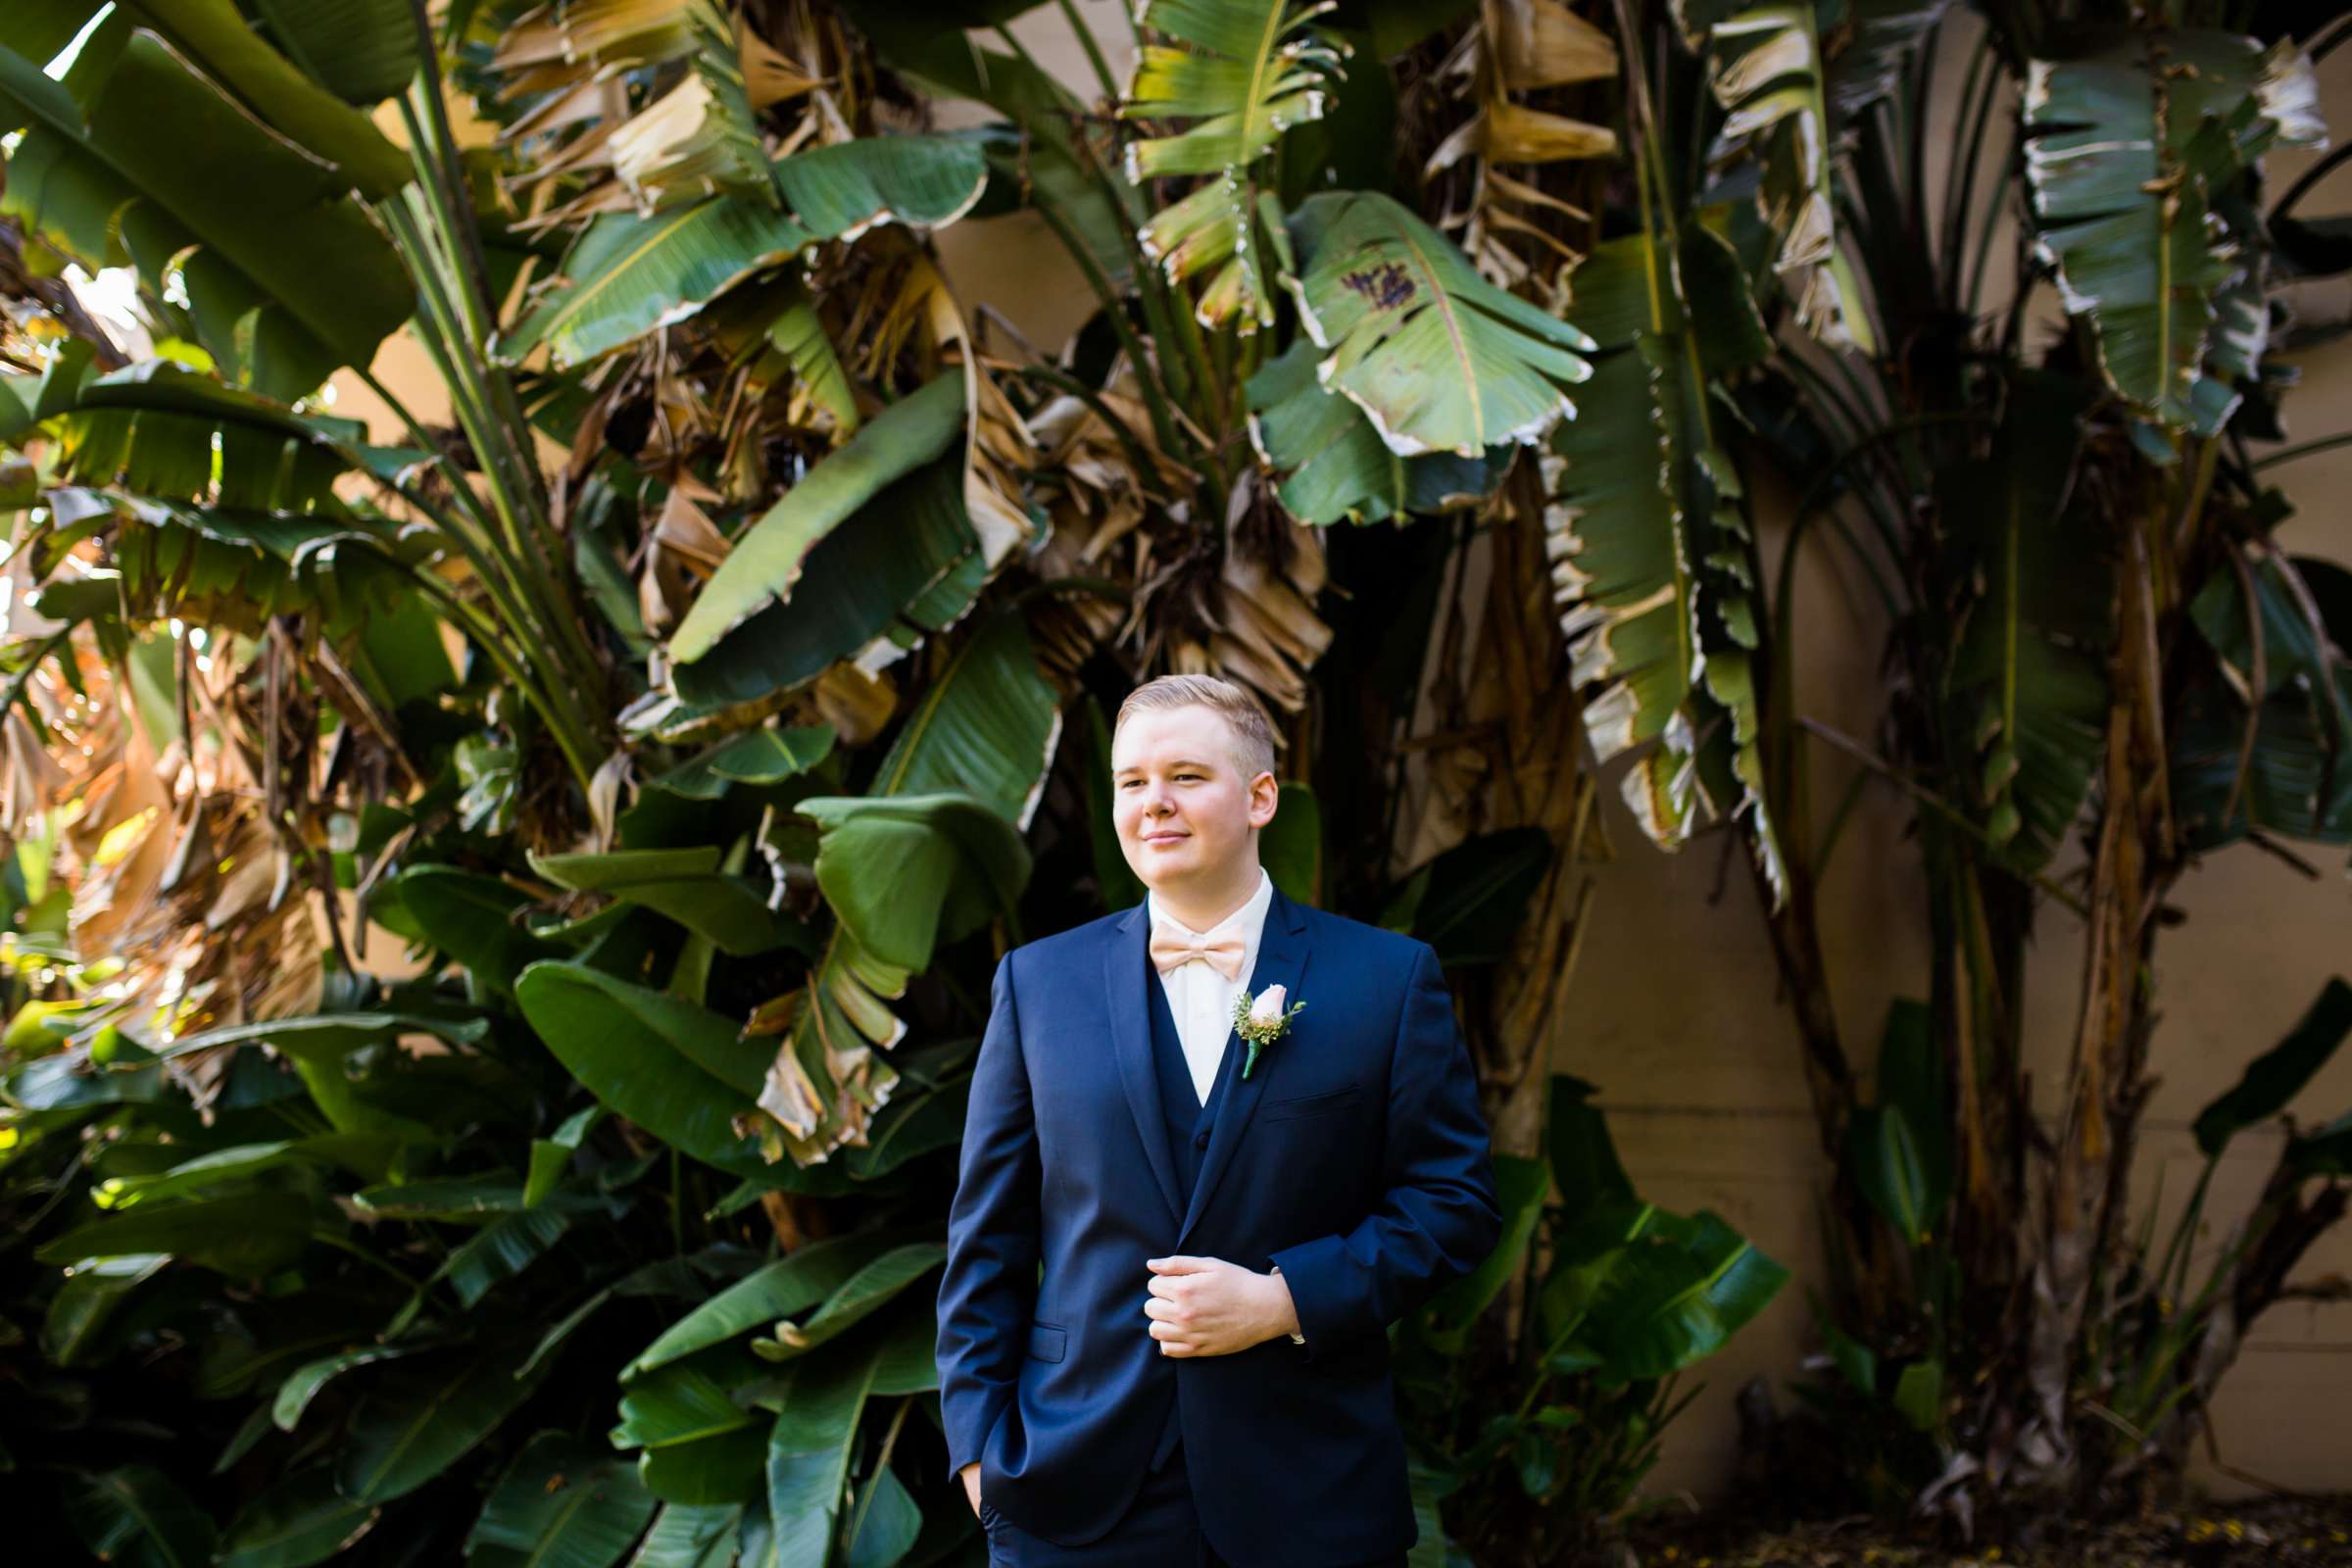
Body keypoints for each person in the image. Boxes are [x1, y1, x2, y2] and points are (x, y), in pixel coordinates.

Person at [934, 672, 1503, 1566]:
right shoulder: (1036, 984)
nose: (1154, 803)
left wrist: (1285, 1299)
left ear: (1261, 796)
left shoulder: (1386, 981)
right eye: (1131, 783)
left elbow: (1454, 1203)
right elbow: (987, 1238)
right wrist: (978, 1456)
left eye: (1188, 776)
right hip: (1071, 1492)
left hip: (1309, 1489)